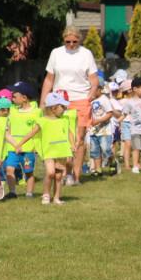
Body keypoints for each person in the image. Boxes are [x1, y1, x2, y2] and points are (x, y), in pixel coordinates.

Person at [39, 26, 100, 185]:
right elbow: (49, 79)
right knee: (62, 136)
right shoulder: (56, 53)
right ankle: (65, 172)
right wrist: (42, 102)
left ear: (79, 40)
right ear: (63, 40)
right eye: (68, 42)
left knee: (79, 139)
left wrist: (94, 88)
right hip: (60, 99)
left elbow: (93, 78)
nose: (71, 44)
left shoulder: (86, 54)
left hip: (81, 97)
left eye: (75, 41)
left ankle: (76, 175)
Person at [16, 93, 75, 205]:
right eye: (62, 106)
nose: (65, 109)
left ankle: (56, 198)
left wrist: (72, 144)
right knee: (50, 172)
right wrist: (20, 144)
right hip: (48, 152)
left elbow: (69, 133)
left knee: (58, 176)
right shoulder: (42, 121)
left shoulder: (64, 120)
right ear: (53, 108)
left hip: (61, 152)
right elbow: (32, 133)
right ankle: (46, 194)